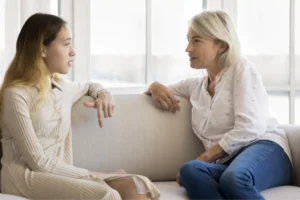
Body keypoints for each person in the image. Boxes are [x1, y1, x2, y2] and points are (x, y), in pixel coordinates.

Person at [0, 13, 160, 200]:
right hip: (24, 177)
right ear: (42, 49)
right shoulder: (15, 94)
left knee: (138, 185)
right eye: (66, 44)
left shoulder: (62, 87)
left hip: (59, 175)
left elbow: (91, 86)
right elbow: (37, 162)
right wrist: (95, 174)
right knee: (107, 195)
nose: (73, 51)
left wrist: (104, 95)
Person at [145, 10, 292, 200]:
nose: (188, 48)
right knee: (190, 169)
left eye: (196, 40)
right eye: (188, 40)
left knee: (234, 177)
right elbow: (157, 90)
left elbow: (250, 128)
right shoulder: (195, 86)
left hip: (266, 149)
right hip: (228, 161)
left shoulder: (241, 68)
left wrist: (205, 157)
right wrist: (154, 86)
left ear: (221, 46)